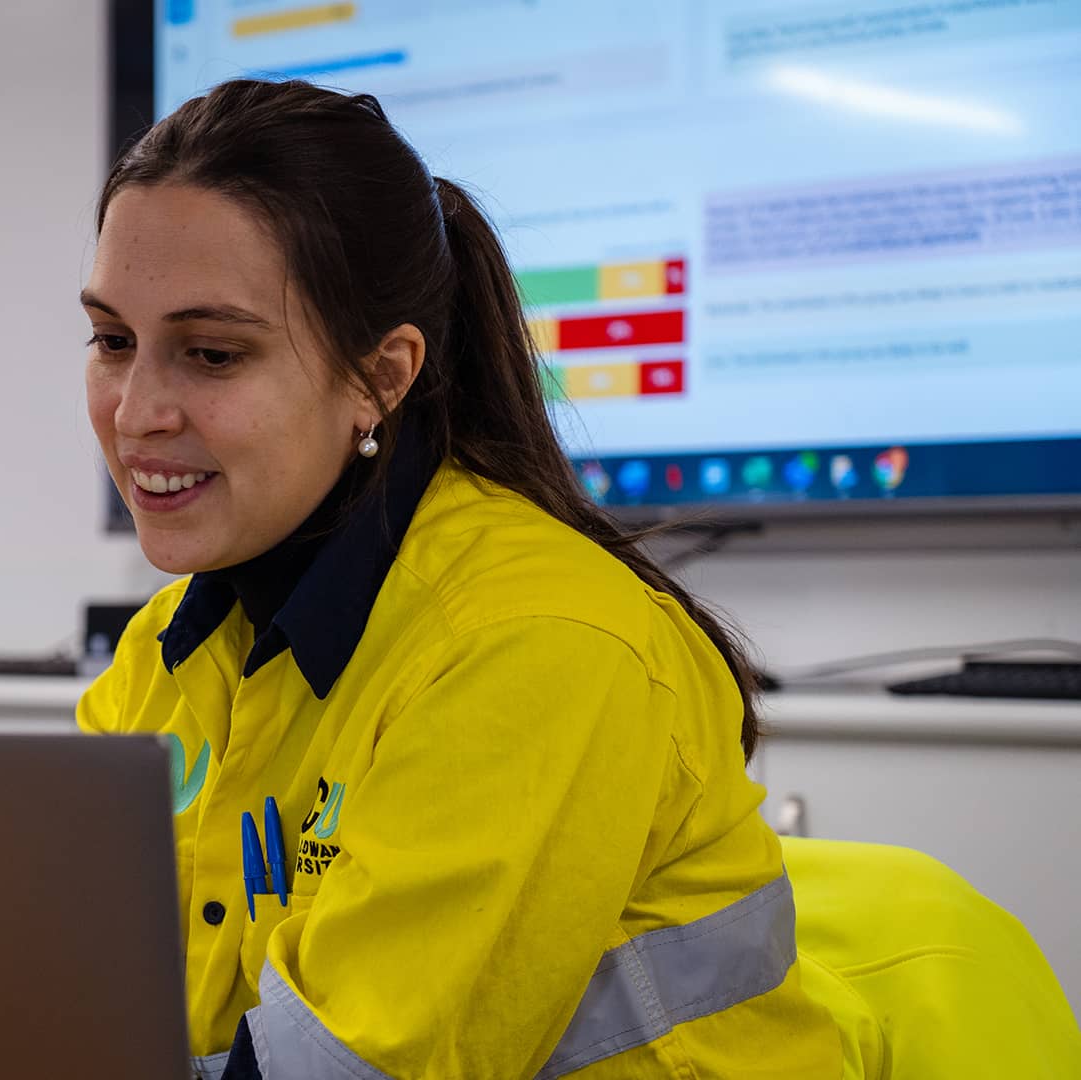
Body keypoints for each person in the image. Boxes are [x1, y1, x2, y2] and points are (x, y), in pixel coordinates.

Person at [76, 79, 847, 1078]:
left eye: (212, 354)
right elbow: (71, 1010)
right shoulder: (163, 656)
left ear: (382, 377)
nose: (136, 413)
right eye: (113, 341)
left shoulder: (538, 642)